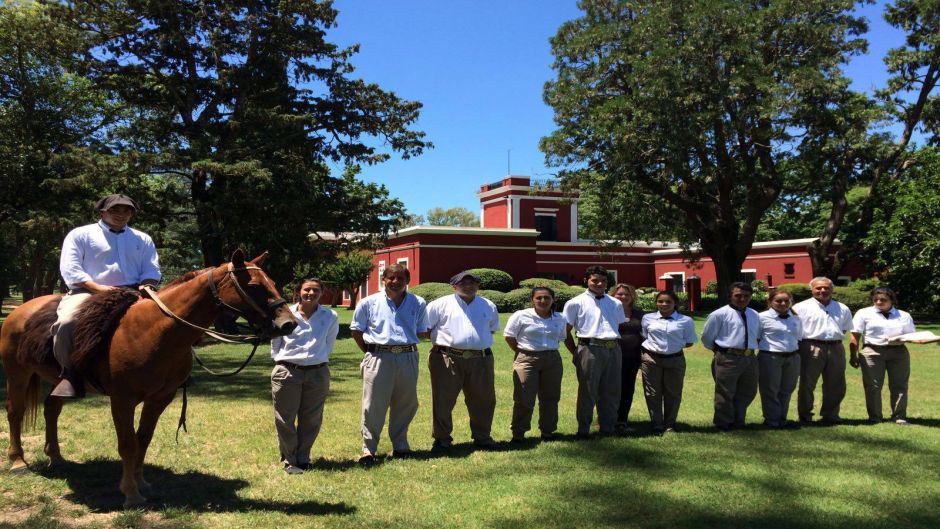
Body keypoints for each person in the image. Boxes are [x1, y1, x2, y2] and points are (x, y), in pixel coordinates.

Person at [51, 194, 161, 398]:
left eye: (126, 210)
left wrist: (146, 286)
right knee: (67, 323)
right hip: (88, 292)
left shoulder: (143, 238)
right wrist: (99, 289)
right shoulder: (80, 235)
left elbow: (151, 269)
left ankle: (176, 372)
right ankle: (70, 374)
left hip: (134, 291)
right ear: (102, 212)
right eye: (115, 210)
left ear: (132, 213)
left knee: (172, 317)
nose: (121, 214)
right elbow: (71, 269)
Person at [351, 264, 428, 465]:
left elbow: (420, 330)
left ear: (407, 281)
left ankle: (401, 445)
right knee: (374, 404)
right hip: (378, 357)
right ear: (383, 279)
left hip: (408, 356)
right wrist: (370, 352)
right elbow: (357, 331)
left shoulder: (418, 303)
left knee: (406, 403)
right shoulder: (368, 303)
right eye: (390, 278)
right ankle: (369, 449)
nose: (395, 282)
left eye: (400, 278)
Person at [270, 278, 338, 475]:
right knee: (285, 417)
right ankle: (290, 459)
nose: (311, 293)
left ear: (321, 292)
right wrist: (283, 362)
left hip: (318, 372)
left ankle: (304, 457)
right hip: (288, 371)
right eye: (307, 290)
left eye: (315, 290)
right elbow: (276, 342)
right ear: (299, 291)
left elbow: (328, 344)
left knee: (312, 417)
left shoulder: (330, 316)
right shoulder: (285, 314)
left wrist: (317, 360)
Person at [426, 271, 501, 451]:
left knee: (484, 399)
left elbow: (491, 330)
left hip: (481, 359)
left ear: (478, 285)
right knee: (443, 399)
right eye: (463, 283)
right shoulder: (439, 305)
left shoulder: (488, 305)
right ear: (454, 286)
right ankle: (442, 438)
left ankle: (482, 437)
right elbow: (425, 329)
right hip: (447, 358)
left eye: (472, 283)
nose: (468, 286)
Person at [563, 266, 625, 437]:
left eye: (603, 281)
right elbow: (565, 331)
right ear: (586, 281)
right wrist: (575, 352)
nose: (599, 283)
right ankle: (583, 429)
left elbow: (616, 325)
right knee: (588, 391)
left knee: (611, 392)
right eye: (595, 280)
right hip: (589, 349)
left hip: (613, 349)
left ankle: (607, 428)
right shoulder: (575, 302)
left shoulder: (616, 303)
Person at [850, 287, 922, 425]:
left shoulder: (904, 315)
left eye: (883, 300)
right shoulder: (863, 313)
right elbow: (855, 335)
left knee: (900, 385)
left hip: (898, 352)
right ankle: (875, 417)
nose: (878, 302)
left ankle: (899, 417)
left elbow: (911, 335)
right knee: (873, 386)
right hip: (872, 352)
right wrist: (854, 355)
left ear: (892, 300)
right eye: (875, 299)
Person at [503, 286, 567, 442]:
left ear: (553, 300)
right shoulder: (521, 316)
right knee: (524, 397)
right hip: (527, 359)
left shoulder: (560, 318)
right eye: (539, 298)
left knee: (551, 398)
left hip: (552, 359)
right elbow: (509, 337)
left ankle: (548, 431)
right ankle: (518, 433)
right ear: (532, 299)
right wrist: (521, 353)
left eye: (547, 298)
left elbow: (560, 337)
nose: (543, 301)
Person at [701, 282, 761, 430]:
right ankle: (723, 422)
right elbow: (707, 337)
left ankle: (739, 420)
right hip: (728, 358)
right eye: (738, 295)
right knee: (725, 392)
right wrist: (720, 352)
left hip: (750, 358)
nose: (742, 299)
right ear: (730, 296)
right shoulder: (719, 314)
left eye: (746, 296)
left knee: (748, 391)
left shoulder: (754, 314)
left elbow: (757, 336)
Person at [794, 277, 853, 425]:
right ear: (812, 289)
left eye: (826, 288)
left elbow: (844, 328)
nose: (823, 291)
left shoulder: (842, 308)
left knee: (836, 383)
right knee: (807, 383)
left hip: (836, 347)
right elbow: (794, 329)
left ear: (832, 289)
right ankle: (805, 415)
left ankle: (831, 414)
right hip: (811, 346)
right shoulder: (800, 307)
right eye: (818, 288)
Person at [640, 290, 697, 434]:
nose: (664, 304)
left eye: (668, 302)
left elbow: (689, 342)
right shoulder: (647, 318)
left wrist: (673, 345)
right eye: (660, 301)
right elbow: (645, 336)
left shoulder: (685, 320)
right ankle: (657, 423)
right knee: (652, 393)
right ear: (656, 303)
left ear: (675, 303)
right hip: (651, 360)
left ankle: (670, 424)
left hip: (675, 359)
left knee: (673, 392)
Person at [757, 289, 803, 428]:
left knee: (787, 389)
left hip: (793, 357)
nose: (783, 303)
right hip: (770, 357)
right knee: (770, 389)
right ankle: (772, 420)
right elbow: (756, 337)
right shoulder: (761, 317)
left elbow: (798, 337)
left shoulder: (796, 318)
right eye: (778, 301)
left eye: (786, 301)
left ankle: (782, 418)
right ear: (770, 302)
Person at [610, 283, 645, 429]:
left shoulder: (640, 314)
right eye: (620, 294)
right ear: (613, 295)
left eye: (627, 294)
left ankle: (622, 419)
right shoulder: (608, 312)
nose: (623, 297)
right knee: (609, 388)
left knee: (627, 388)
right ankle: (607, 418)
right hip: (611, 355)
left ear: (632, 297)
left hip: (633, 357)